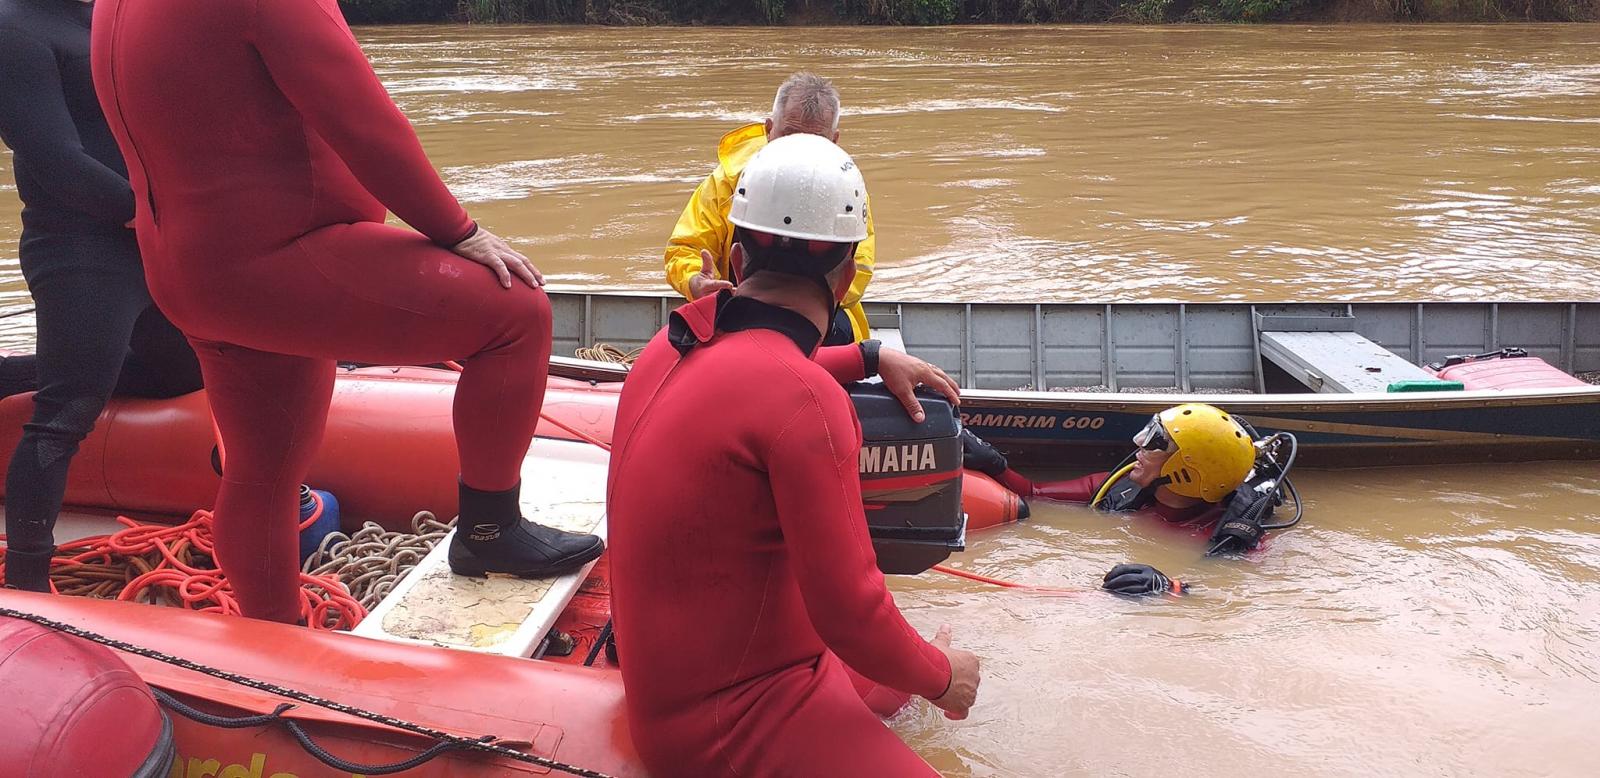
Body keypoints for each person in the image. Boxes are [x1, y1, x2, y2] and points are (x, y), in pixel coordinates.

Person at [89, 0, 602, 624]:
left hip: (191, 266)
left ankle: (271, 638)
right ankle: (491, 532)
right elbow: (360, 118)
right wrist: (457, 229)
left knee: (264, 466)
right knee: (516, 314)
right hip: (280, 260)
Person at [608, 134, 980, 776]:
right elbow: (851, 614)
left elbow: (754, 360)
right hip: (737, 724)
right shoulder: (807, 404)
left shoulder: (666, 348)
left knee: (894, 686)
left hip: (700, 683)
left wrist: (866, 356)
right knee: (919, 679)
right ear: (845, 275)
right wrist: (948, 679)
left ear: (735, 253)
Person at [0, 0, 203, 592]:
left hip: (149, 238)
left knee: (179, 375)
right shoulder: (15, 31)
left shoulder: (108, 20)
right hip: (80, 248)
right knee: (65, 416)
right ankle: (28, 583)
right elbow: (58, 162)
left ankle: (17, 375)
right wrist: (161, 217)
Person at [965, 403, 1282, 596]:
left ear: (1187, 471)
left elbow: (1232, 590)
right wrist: (995, 463)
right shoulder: (1121, 487)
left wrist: (1170, 588)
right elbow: (1034, 494)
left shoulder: (1232, 537)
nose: (1139, 447)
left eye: (1156, 442)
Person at [664, 72, 876, 346]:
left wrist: (794, 300)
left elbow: (858, 269)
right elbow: (684, 249)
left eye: (815, 140)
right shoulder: (728, 180)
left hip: (819, 319)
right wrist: (695, 281)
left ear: (834, 140)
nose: (798, 149)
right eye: (789, 134)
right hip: (735, 308)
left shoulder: (846, 187)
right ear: (768, 128)